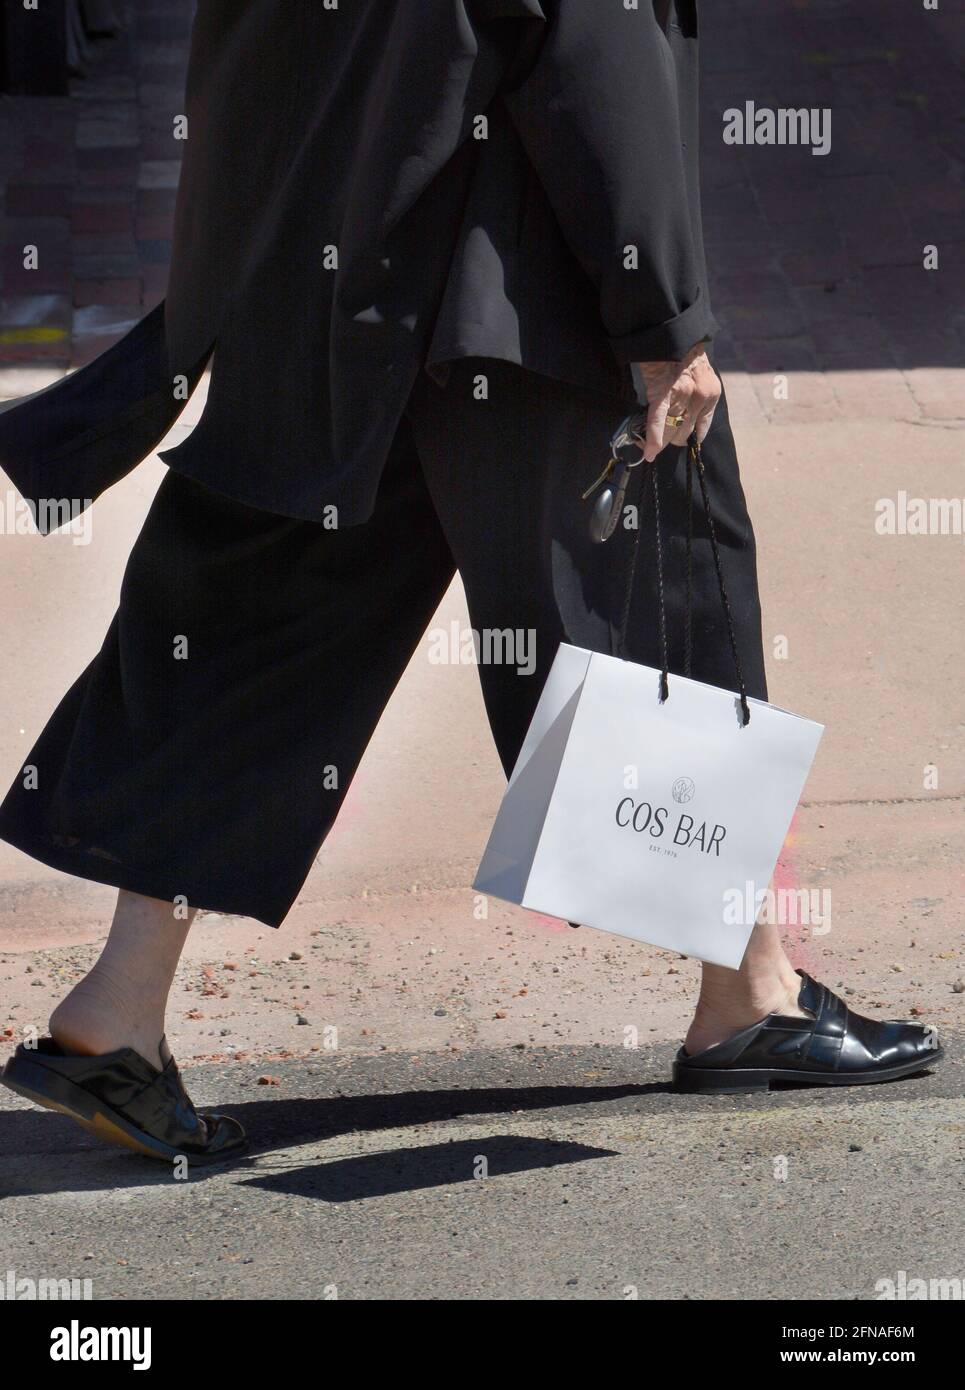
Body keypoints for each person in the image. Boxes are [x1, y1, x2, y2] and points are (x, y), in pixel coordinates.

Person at [0, 0, 941, 1164]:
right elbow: (594, 40)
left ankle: (119, 1006)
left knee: (257, 628)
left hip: (332, 265)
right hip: (511, 289)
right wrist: (660, 316)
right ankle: (746, 995)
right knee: (657, 590)